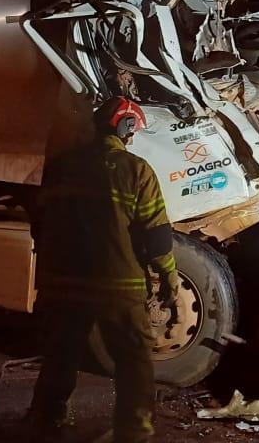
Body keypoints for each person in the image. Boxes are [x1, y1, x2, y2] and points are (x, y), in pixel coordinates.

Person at [27, 97, 179, 443]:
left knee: (61, 356)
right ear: (126, 127)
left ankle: (44, 421)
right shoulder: (136, 170)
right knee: (133, 361)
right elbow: (156, 238)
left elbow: (40, 224)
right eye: (133, 129)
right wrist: (168, 276)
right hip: (117, 287)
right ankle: (135, 430)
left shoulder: (61, 168)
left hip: (62, 285)